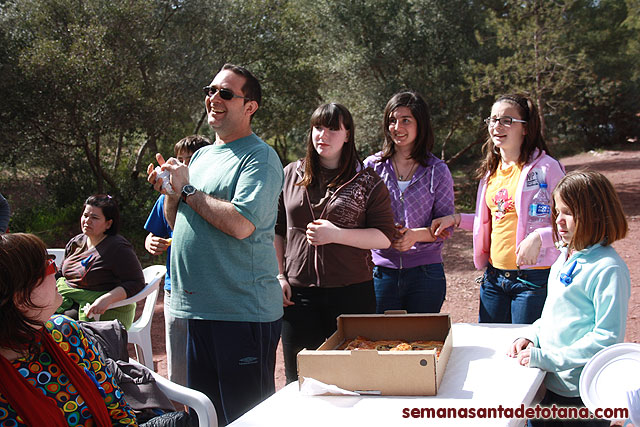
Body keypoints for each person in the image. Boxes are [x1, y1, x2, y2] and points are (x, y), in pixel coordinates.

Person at [147, 63, 284, 425]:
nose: (213, 99)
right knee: (204, 416)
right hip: (196, 311)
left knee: (245, 417)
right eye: (210, 91)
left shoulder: (262, 158)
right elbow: (180, 225)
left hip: (240, 314)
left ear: (250, 106)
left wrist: (189, 189)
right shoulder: (204, 155)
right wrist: (172, 192)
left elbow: (240, 224)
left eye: (225, 93)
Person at [275, 103, 396, 384]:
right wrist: (278, 275)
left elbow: (384, 236)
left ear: (347, 134)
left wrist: (336, 234)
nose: (323, 135)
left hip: (352, 295)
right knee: (301, 381)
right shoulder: (290, 174)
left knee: (355, 381)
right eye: (318, 127)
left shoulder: (367, 181)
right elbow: (276, 230)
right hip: (298, 296)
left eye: (333, 128)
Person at [508, 170, 630, 426]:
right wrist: (532, 335)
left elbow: (606, 337)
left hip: (581, 394)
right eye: (557, 211)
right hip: (549, 382)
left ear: (596, 214)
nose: (558, 221)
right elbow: (552, 313)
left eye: (568, 213)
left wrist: (548, 358)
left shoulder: (608, 268)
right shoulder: (565, 256)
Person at [432, 93, 565, 324]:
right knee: (491, 348)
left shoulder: (548, 168)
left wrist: (539, 238)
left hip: (533, 279)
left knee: (522, 352)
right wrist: (455, 219)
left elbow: (573, 221)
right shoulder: (491, 172)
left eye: (507, 120)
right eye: (493, 120)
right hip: (493, 278)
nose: (497, 126)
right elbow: (492, 219)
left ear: (525, 128)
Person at [0, 232, 138, 426]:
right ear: (21, 299)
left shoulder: (66, 333)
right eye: (48, 267)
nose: (57, 272)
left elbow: (119, 410)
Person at [364, 91, 455, 314]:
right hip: (380, 272)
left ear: (420, 124)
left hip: (426, 275)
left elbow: (446, 224)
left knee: (421, 345)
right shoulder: (371, 167)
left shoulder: (437, 170)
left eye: (406, 120)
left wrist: (414, 235)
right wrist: (385, 233)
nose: (397, 127)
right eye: (392, 121)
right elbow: (360, 218)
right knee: (381, 344)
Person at [143, 134, 211, 386]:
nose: (182, 166)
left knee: (207, 363)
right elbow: (154, 234)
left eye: (189, 160)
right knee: (178, 367)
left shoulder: (209, 197)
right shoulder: (166, 196)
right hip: (176, 290)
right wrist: (151, 242)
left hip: (209, 291)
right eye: (179, 159)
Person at [56, 194, 145, 329]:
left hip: (97, 309)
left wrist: (106, 299)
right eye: (85, 216)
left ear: (108, 223)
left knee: (56, 326)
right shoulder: (76, 242)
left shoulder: (118, 248)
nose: (87, 221)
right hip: (67, 300)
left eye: (94, 218)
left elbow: (136, 282)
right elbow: (60, 274)